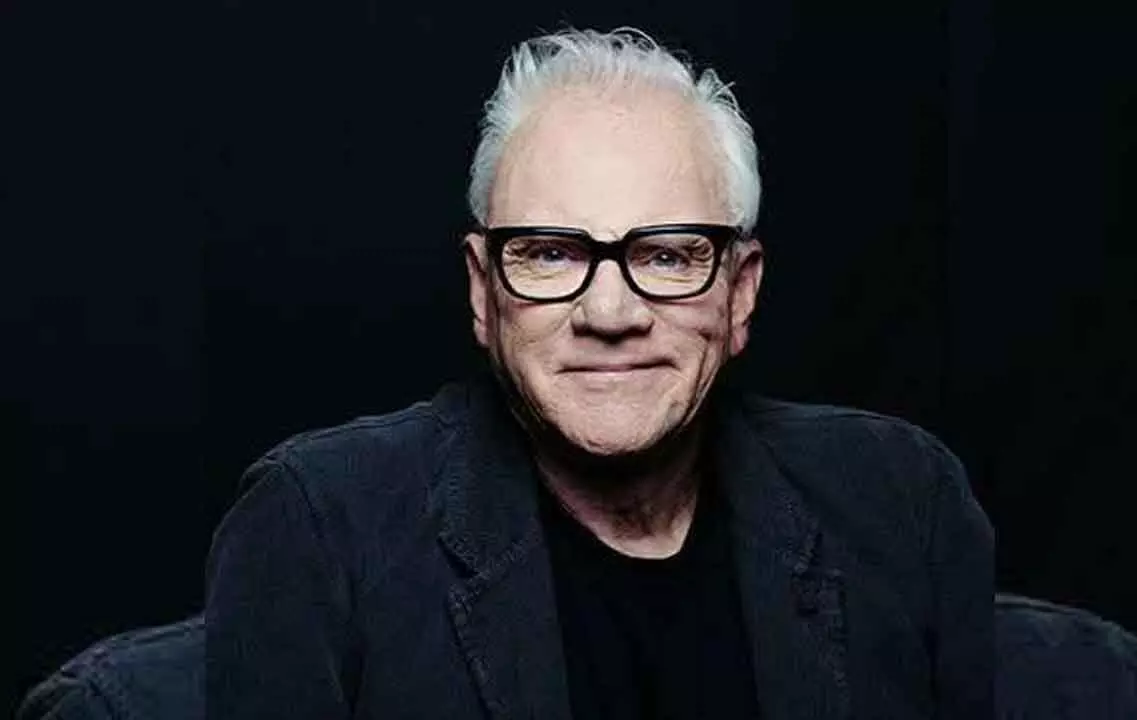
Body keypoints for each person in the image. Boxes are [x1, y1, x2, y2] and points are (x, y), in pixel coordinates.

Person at [205, 27, 994, 719]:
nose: (609, 313)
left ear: (740, 292)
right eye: (551, 254)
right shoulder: (319, 531)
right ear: (482, 291)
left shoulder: (903, 502)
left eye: (667, 255)